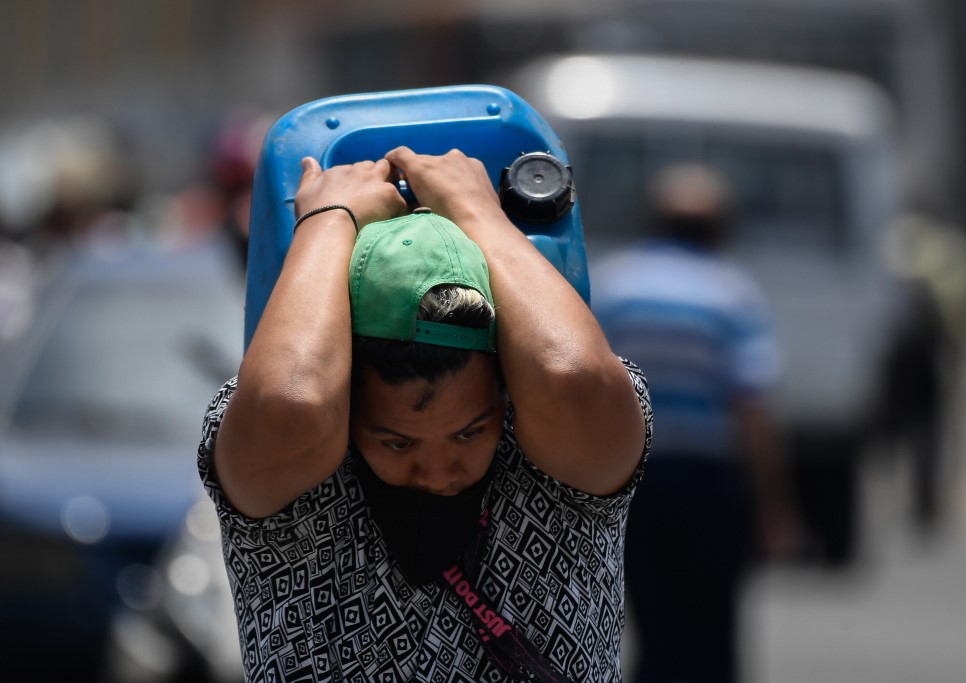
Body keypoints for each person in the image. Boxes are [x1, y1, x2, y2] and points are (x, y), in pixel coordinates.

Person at [198, 147, 650, 682]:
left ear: (505, 389)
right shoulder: (301, 507)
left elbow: (569, 377)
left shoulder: (553, 477)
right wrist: (327, 221)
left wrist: (476, 211)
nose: (439, 475)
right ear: (345, 407)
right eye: (397, 443)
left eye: (468, 433)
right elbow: (292, 402)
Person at [590, 164, 796, 683]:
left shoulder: (615, 285)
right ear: (721, 227)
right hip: (710, 485)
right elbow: (751, 406)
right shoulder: (732, 294)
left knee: (652, 626)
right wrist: (773, 503)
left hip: (634, 481)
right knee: (712, 632)